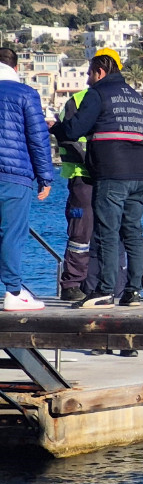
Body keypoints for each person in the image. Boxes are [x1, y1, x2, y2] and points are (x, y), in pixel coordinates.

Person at [55, 63, 143, 303]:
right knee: (124, 230)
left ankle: (113, 286)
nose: (88, 78)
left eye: (89, 72)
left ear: (99, 72)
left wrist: (57, 130)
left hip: (100, 174)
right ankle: (130, 286)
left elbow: (71, 133)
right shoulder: (132, 98)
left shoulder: (93, 96)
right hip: (122, 173)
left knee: (110, 232)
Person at [0, 46, 54, 312]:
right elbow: (38, 137)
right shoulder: (26, 94)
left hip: (14, 174)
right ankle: (13, 292)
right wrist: (45, 177)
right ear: (16, 68)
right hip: (14, 174)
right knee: (12, 233)